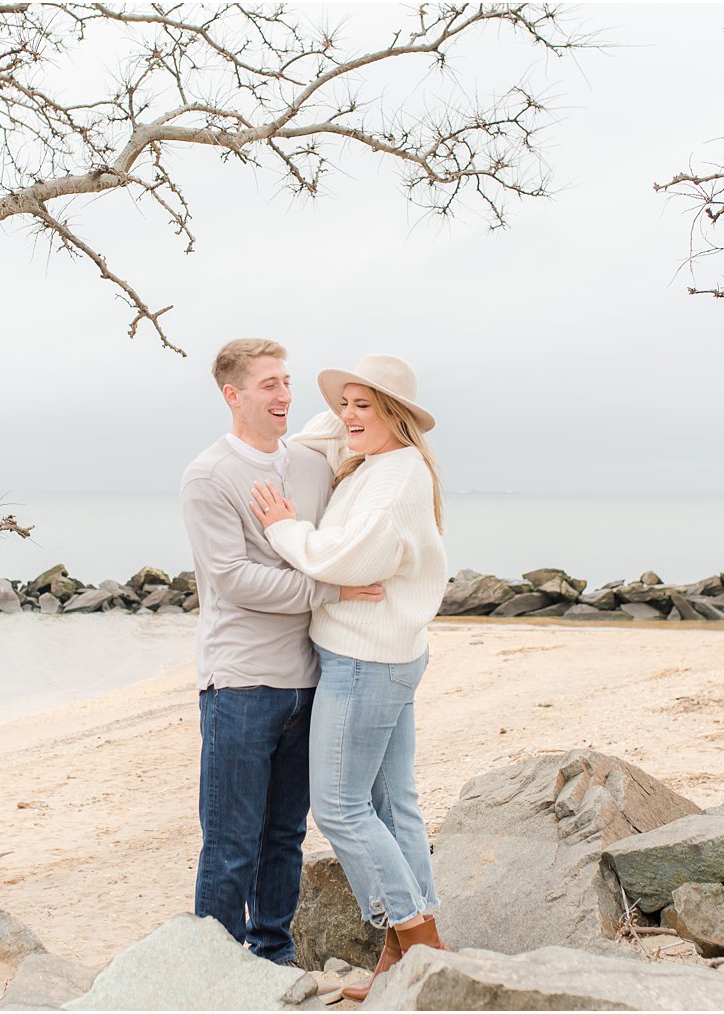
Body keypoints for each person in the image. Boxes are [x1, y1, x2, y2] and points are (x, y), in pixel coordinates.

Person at [247, 353, 449, 998]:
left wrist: (283, 527)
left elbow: (337, 557)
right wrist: (348, 417)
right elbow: (315, 434)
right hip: (385, 654)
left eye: (367, 405)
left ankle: (418, 938)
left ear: (396, 416)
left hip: (365, 661)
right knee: (392, 806)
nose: (347, 416)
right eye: (346, 403)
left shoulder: (393, 484)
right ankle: (406, 957)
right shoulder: (381, 458)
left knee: (338, 807)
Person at [180, 338, 385, 965]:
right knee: (231, 842)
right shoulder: (209, 477)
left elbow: (349, 425)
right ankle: (213, 971)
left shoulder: (310, 466)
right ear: (232, 395)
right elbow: (236, 581)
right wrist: (331, 590)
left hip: (312, 679)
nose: (285, 396)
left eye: (288, 382)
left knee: (285, 837)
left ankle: (271, 957)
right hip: (241, 683)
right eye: (269, 385)